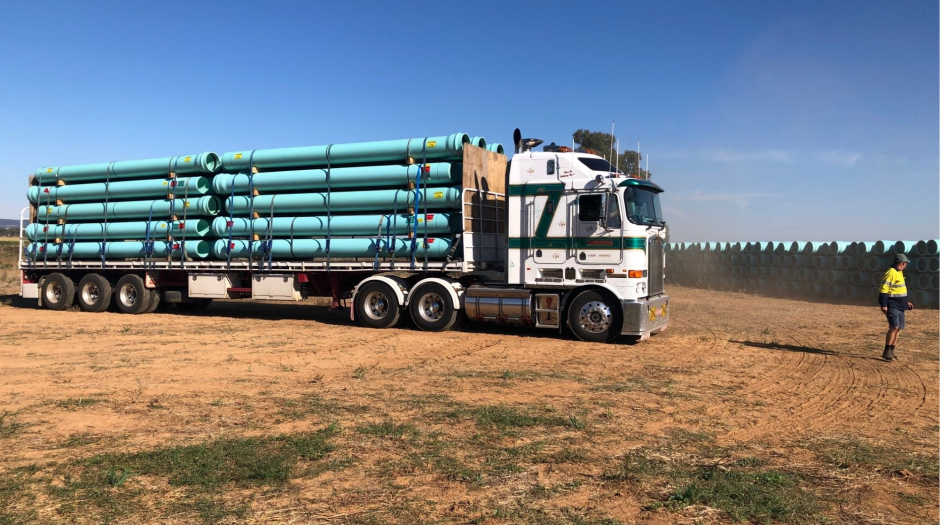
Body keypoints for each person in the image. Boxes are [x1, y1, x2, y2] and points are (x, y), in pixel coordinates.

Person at [878, 253, 914, 361]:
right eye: (905, 263)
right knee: (894, 327)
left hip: (901, 305)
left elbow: (899, 290)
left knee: (898, 329)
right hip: (892, 305)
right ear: (903, 263)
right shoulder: (891, 273)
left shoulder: (900, 272)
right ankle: (886, 351)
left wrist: (906, 302)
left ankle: (892, 350)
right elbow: (883, 289)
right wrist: (884, 304)